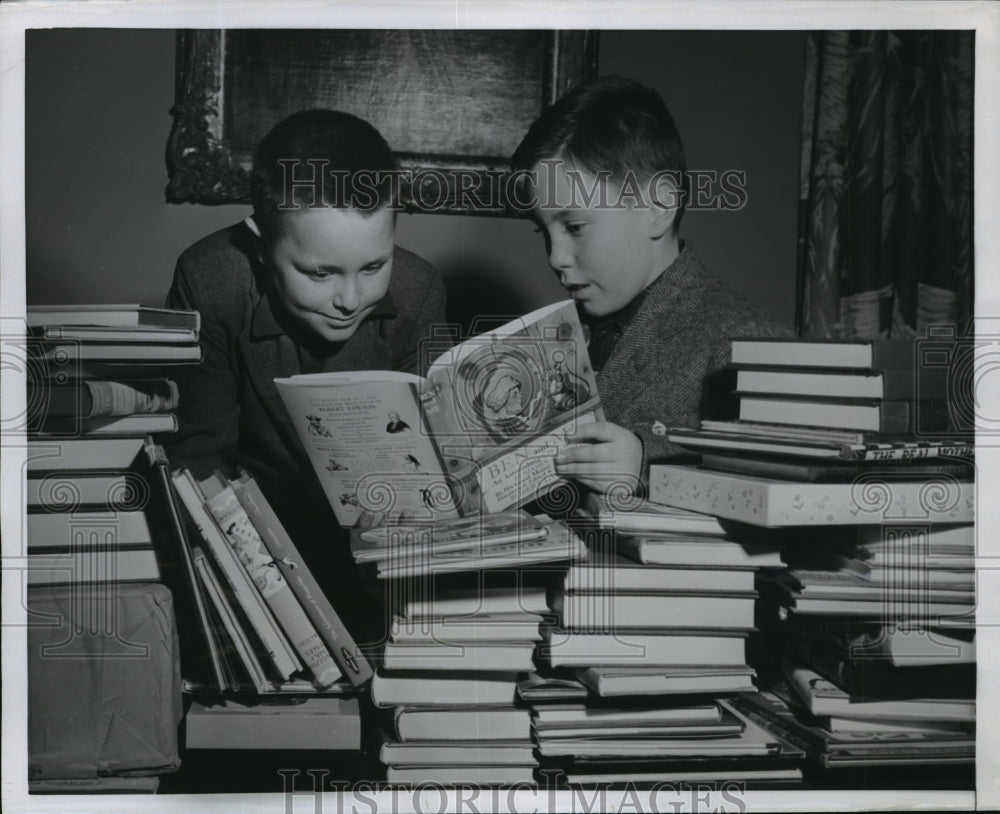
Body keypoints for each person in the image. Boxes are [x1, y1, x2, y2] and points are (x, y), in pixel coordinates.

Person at [164, 109, 447, 642]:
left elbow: (429, 466)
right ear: (260, 243)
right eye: (319, 273)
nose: (350, 299)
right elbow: (199, 459)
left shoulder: (421, 291)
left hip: (379, 570)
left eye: (373, 267)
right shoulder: (209, 280)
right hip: (248, 561)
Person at [511, 75, 789, 496]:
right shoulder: (559, 341)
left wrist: (646, 464)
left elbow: (785, 490)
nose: (555, 257)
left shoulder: (748, 346)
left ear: (658, 207)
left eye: (574, 226)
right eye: (544, 233)